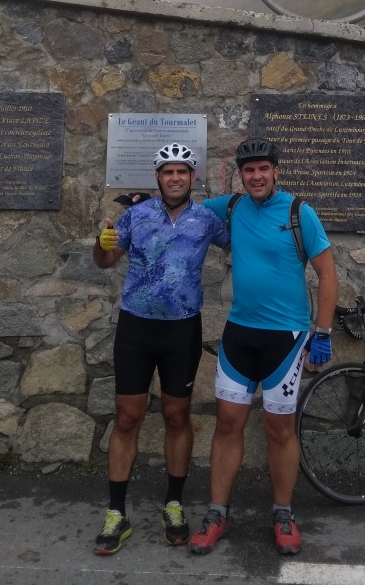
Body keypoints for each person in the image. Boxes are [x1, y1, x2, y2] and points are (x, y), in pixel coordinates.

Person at [190, 137, 338, 557]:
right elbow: (185, 209)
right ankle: (217, 513)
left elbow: (327, 274)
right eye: (249, 170)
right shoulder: (232, 206)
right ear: (241, 175)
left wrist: (323, 332)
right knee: (227, 423)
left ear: (276, 171)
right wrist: (143, 206)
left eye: (263, 169)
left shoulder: (298, 212)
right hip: (239, 333)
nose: (256, 176)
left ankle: (283, 513)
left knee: (279, 429)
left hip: (285, 339)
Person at [91, 143, 229, 556]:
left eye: (182, 172)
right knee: (127, 416)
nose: (175, 178)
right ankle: (116, 513)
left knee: (176, 415)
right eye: (168, 172)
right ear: (158, 178)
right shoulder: (135, 215)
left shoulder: (207, 220)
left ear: (192, 178)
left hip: (182, 330)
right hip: (136, 327)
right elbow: (105, 261)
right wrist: (100, 243)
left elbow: (243, 245)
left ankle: (173, 505)